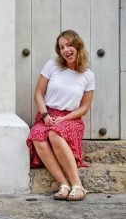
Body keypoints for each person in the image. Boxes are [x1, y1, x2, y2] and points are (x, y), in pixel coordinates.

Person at [26, 30, 95, 201]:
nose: (66, 50)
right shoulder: (52, 66)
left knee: (54, 133)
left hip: (71, 119)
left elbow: (84, 107)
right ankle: (64, 184)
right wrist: (45, 115)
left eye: (69, 45)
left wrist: (64, 118)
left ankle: (78, 186)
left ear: (78, 46)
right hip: (47, 114)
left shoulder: (88, 75)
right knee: (36, 135)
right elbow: (38, 94)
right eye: (61, 47)